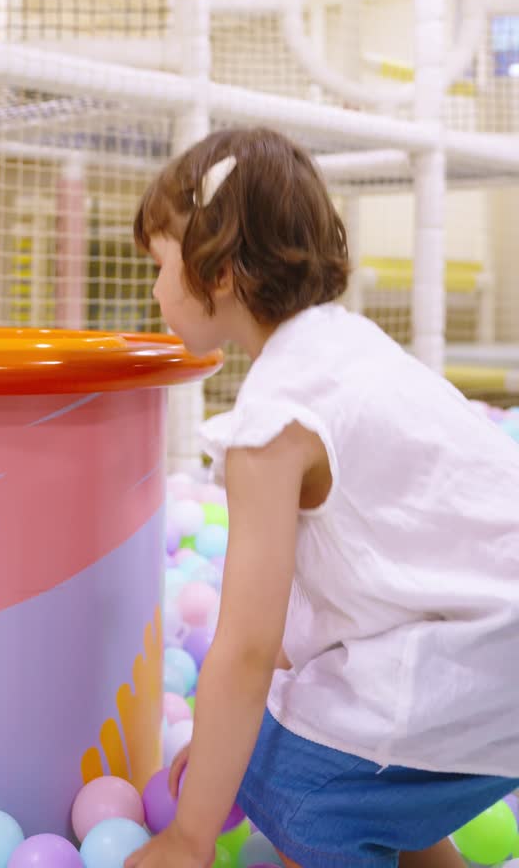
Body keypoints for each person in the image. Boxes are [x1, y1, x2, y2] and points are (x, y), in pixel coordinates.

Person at [125, 126, 519, 868]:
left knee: (285, 786)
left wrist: (190, 832)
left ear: (219, 272)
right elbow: (333, 598)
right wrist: (236, 737)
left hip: (479, 670)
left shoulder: (272, 424)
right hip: (495, 655)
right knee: (285, 743)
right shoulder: (349, 347)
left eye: (160, 264)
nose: (154, 291)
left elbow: (246, 648)